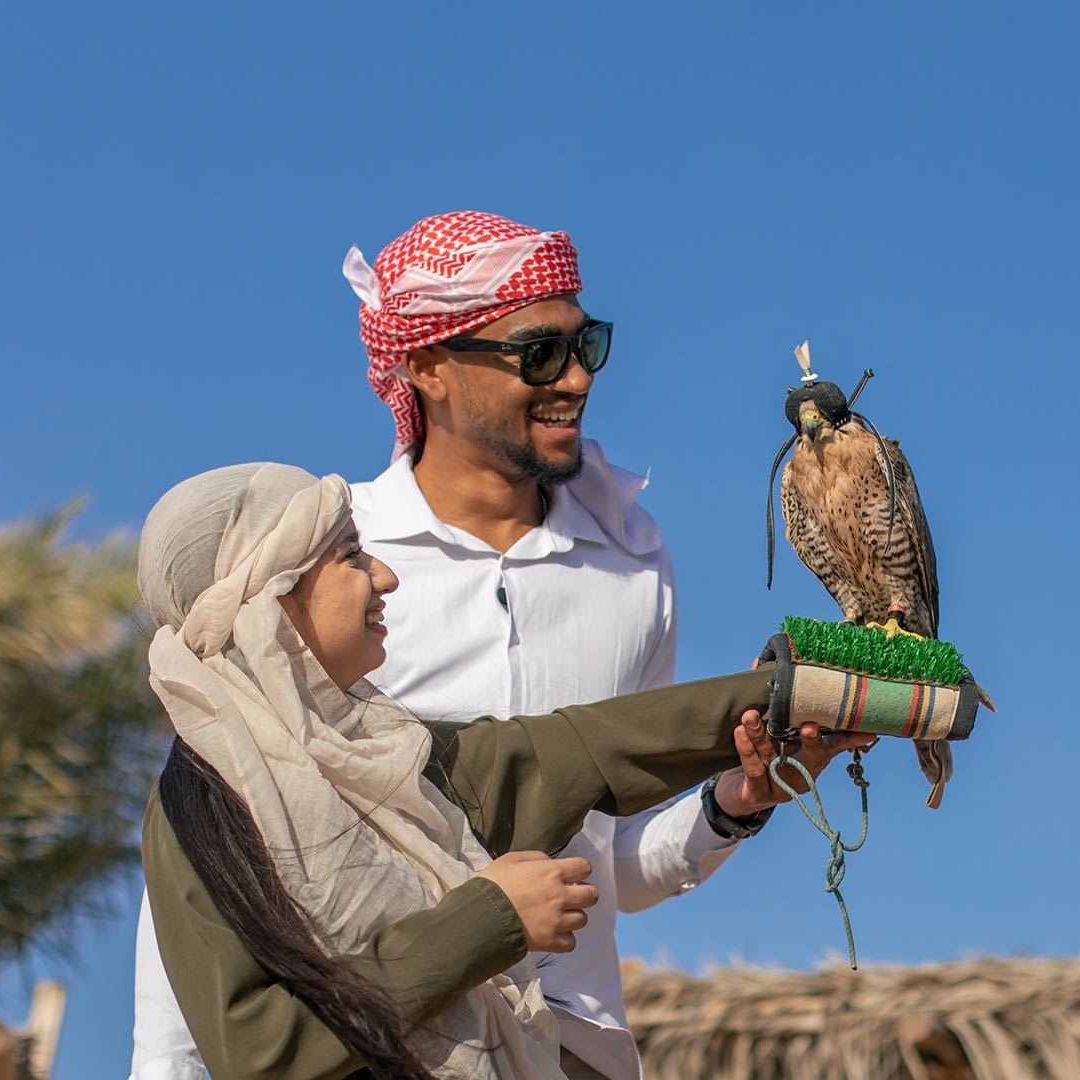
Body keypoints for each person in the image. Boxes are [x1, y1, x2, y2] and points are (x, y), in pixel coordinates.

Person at [131, 211, 854, 1079]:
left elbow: (605, 851)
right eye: (540, 354)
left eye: (589, 343)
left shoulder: (634, 559)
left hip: (573, 1043)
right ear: (429, 368)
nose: (579, 376)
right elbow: (216, 892)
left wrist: (732, 803)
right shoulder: (314, 580)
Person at [135, 462, 866, 1078]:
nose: (384, 576)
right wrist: (490, 919)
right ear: (270, 598)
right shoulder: (201, 804)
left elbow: (579, 747)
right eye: (351, 557)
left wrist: (784, 696)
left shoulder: (392, 753)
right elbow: (260, 1048)